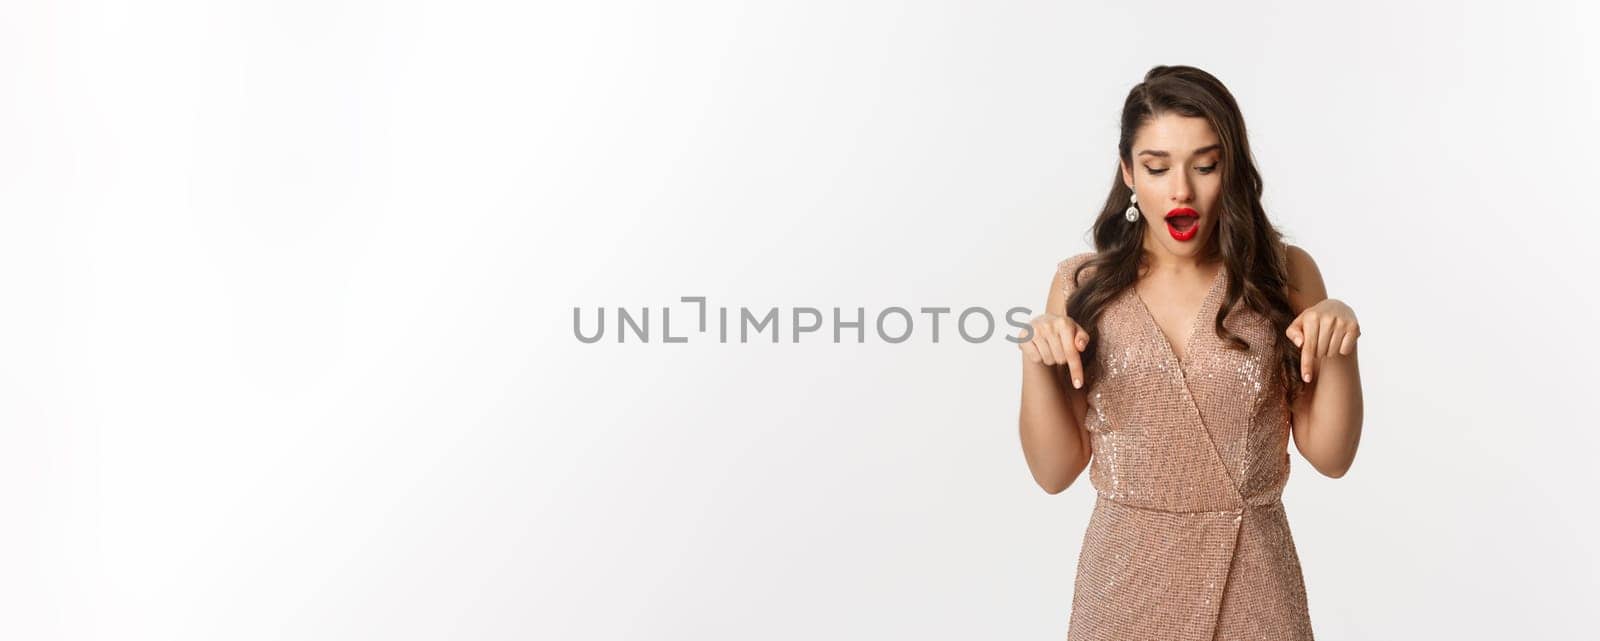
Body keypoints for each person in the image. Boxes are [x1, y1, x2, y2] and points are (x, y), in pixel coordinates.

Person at [1016, 65, 1364, 640]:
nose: (1181, 189)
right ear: (1128, 171)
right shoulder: (1082, 286)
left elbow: (1331, 457)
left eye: (1205, 165)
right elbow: (1054, 473)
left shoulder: (1283, 274)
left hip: (1253, 580)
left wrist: (1342, 347)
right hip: (1124, 583)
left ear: (1231, 168)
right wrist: (1033, 361)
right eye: (1157, 167)